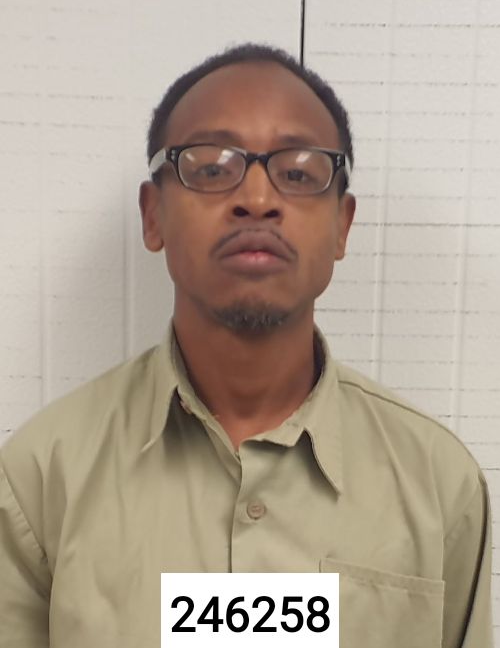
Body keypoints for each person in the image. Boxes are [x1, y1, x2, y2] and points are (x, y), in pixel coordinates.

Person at [0, 43, 492, 648]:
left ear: (342, 226)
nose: (257, 199)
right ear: (153, 216)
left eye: (299, 172)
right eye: (211, 168)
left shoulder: (440, 486)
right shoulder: (41, 479)